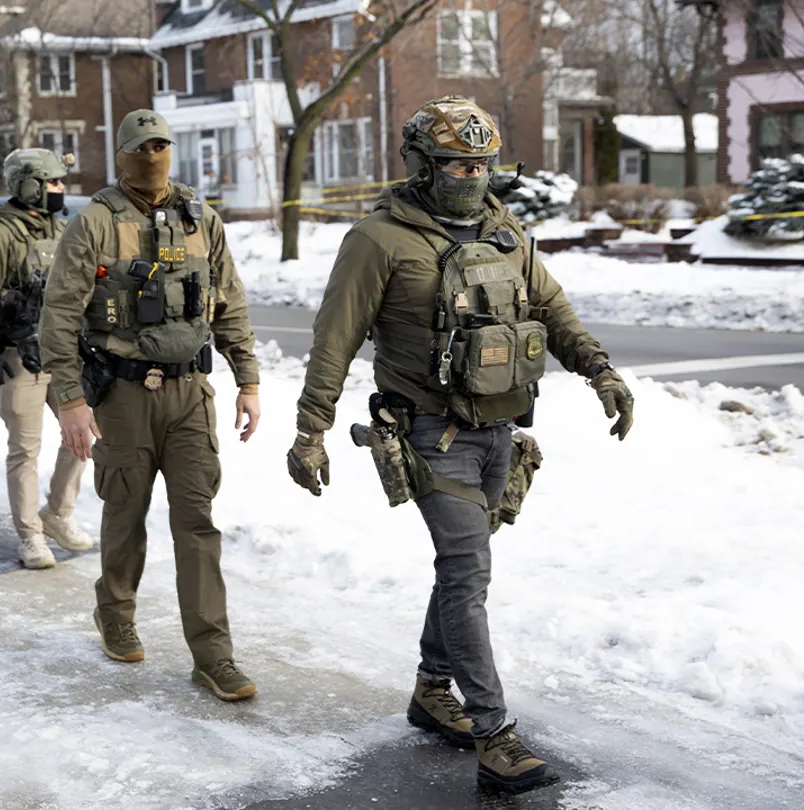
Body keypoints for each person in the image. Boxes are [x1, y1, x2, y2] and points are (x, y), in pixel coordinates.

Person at [286, 96, 636, 795]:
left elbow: (553, 309)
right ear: (421, 164)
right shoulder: (379, 240)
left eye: (481, 163)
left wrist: (600, 369)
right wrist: (311, 430)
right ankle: (495, 735)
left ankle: (430, 688)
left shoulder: (505, 231)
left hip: (500, 430)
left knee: (460, 570)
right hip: (427, 433)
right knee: (469, 575)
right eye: (454, 164)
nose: (470, 176)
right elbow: (335, 339)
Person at [38, 110, 263, 702]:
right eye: (142, 145)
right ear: (122, 154)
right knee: (125, 515)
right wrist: (70, 401)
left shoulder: (200, 218)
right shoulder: (94, 223)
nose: (153, 153)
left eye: (162, 143)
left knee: (196, 523)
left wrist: (249, 380)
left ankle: (213, 655)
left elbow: (230, 300)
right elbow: (59, 317)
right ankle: (115, 612)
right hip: (122, 396)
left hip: (191, 395)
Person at [0, 148, 91, 570]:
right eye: (53, 183)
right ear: (28, 185)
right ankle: (31, 536)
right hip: (19, 355)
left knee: (85, 433)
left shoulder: (62, 228)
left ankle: (58, 513)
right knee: (25, 450)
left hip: (64, 353)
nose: (60, 190)